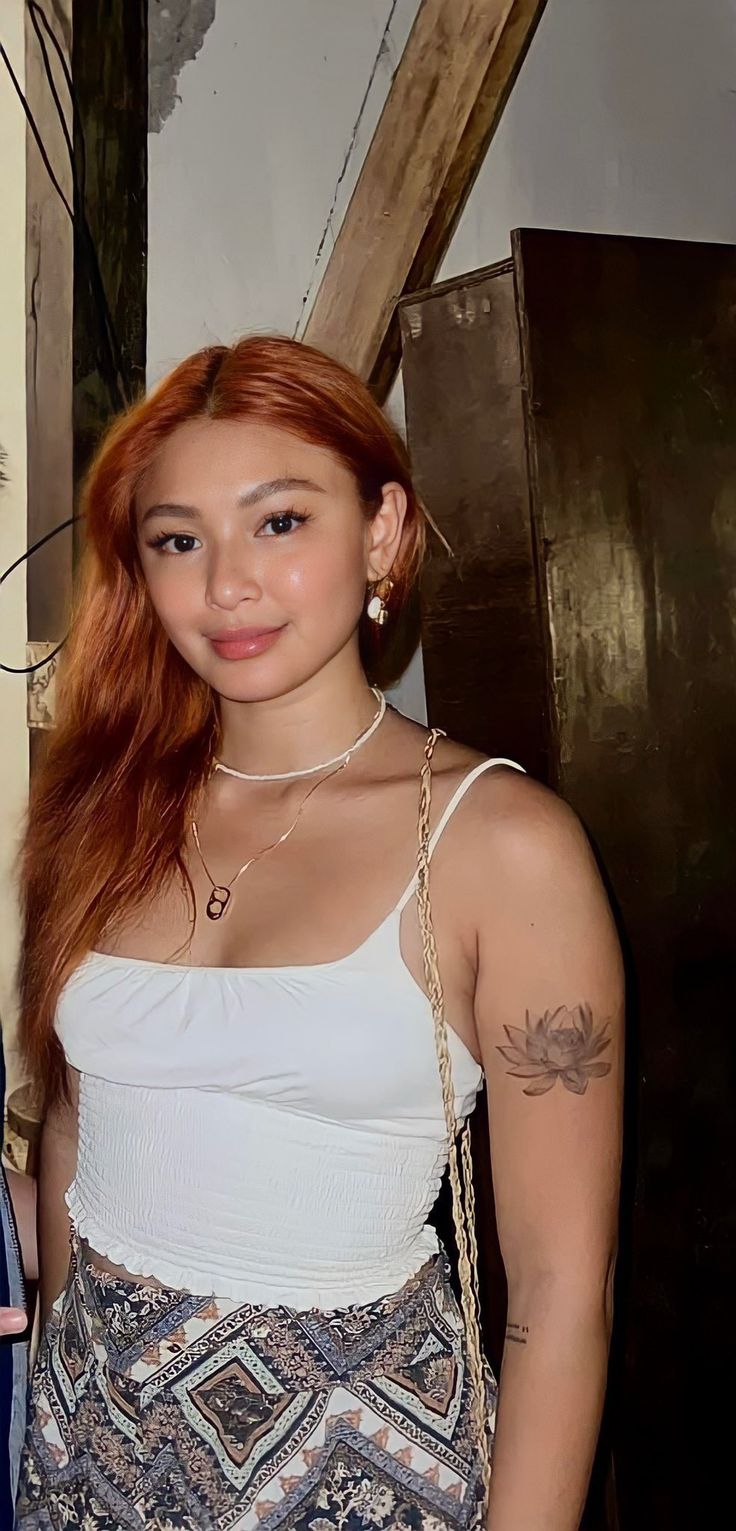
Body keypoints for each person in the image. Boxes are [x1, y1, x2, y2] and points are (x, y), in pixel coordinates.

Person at [14, 334, 624, 1530]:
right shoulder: (101, 808)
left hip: (350, 1456)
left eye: (279, 522)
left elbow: (559, 1290)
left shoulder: (498, 840)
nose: (224, 585)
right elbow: (76, 1125)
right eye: (177, 539)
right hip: (90, 1429)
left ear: (383, 531)